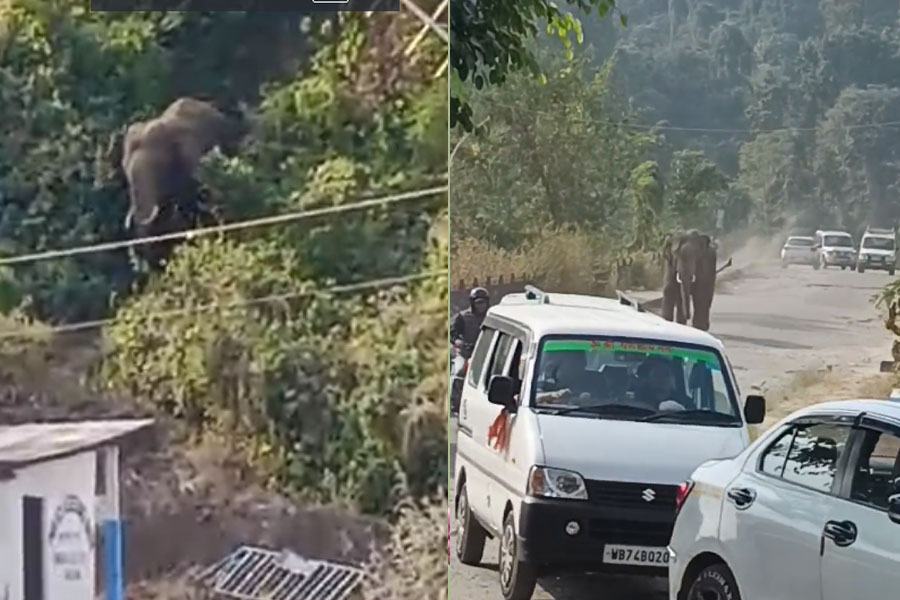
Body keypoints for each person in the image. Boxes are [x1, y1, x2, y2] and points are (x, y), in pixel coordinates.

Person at [450, 287, 490, 359]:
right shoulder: (463, 317)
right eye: (478, 303)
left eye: (483, 303)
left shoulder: (491, 316)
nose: (481, 306)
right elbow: (453, 333)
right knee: (460, 369)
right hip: (467, 354)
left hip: (488, 352)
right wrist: (457, 341)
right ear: (472, 303)